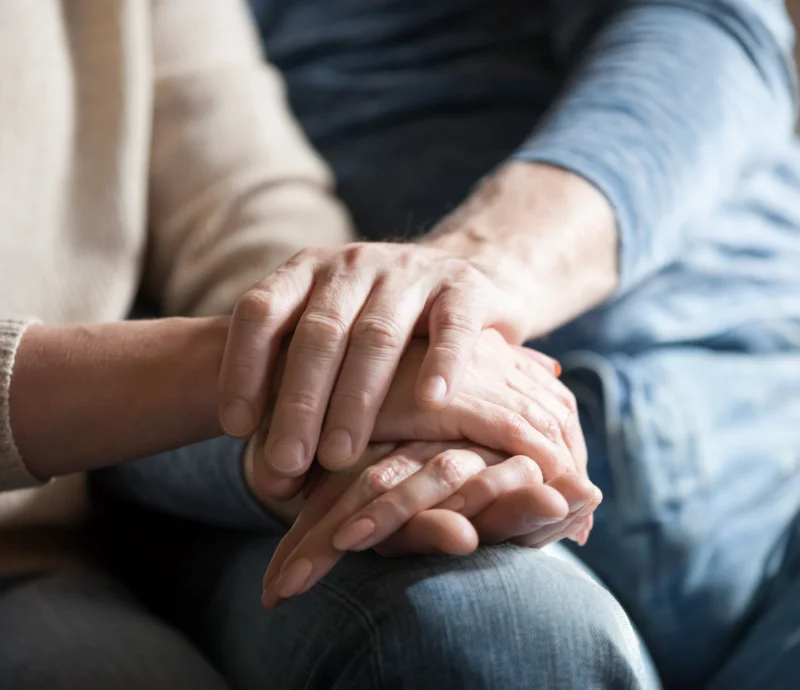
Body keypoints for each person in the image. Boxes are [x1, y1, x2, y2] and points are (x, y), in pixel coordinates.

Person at [96, 0, 800, 688]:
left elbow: (708, 34)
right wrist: (337, 398)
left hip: (761, 471)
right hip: (361, 472)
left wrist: (461, 284)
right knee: (498, 631)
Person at [0, 1, 609, 688]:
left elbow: (244, 200)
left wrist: (363, 362)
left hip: (54, 554)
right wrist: (284, 366)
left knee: (515, 622)